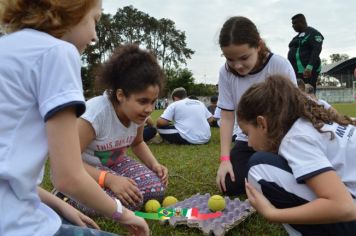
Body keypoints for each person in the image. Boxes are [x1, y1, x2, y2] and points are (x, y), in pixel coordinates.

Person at [0, 1, 149, 236]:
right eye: (95, 21)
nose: (94, 37)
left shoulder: (6, 50)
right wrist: (123, 213)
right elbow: (68, 177)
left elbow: (7, 174)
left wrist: (60, 207)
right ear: (71, 10)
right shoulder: (57, 52)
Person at [55, 44, 168, 214]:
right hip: (81, 170)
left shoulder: (138, 116)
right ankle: (64, 197)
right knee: (123, 203)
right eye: (143, 101)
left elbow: (138, 143)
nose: (149, 109)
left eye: (153, 101)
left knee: (155, 189)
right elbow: (66, 163)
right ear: (121, 95)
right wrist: (108, 179)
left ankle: (102, 196)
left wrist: (154, 164)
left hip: (115, 163)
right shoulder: (95, 115)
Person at [237, 75, 356, 235]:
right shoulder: (315, 120)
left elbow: (345, 207)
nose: (249, 143)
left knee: (258, 167)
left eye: (247, 133)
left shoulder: (296, 138)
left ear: (262, 123)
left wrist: (273, 214)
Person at [216, 16, 297, 196]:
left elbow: (294, 110)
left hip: (280, 139)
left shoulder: (279, 65)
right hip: (248, 139)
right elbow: (227, 116)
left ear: (258, 45)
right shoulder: (225, 73)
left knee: (290, 179)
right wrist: (225, 159)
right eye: (230, 59)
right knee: (230, 185)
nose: (238, 65)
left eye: (244, 57)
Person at [288, 13, 324, 93]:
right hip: (296, 71)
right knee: (298, 92)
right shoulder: (296, 37)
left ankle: (313, 105)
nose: (292, 26)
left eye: (294, 23)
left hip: (307, 70)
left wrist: (309, 66)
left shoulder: (313, 33)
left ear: (301, 22)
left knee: (308, 91)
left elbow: (316, 49)